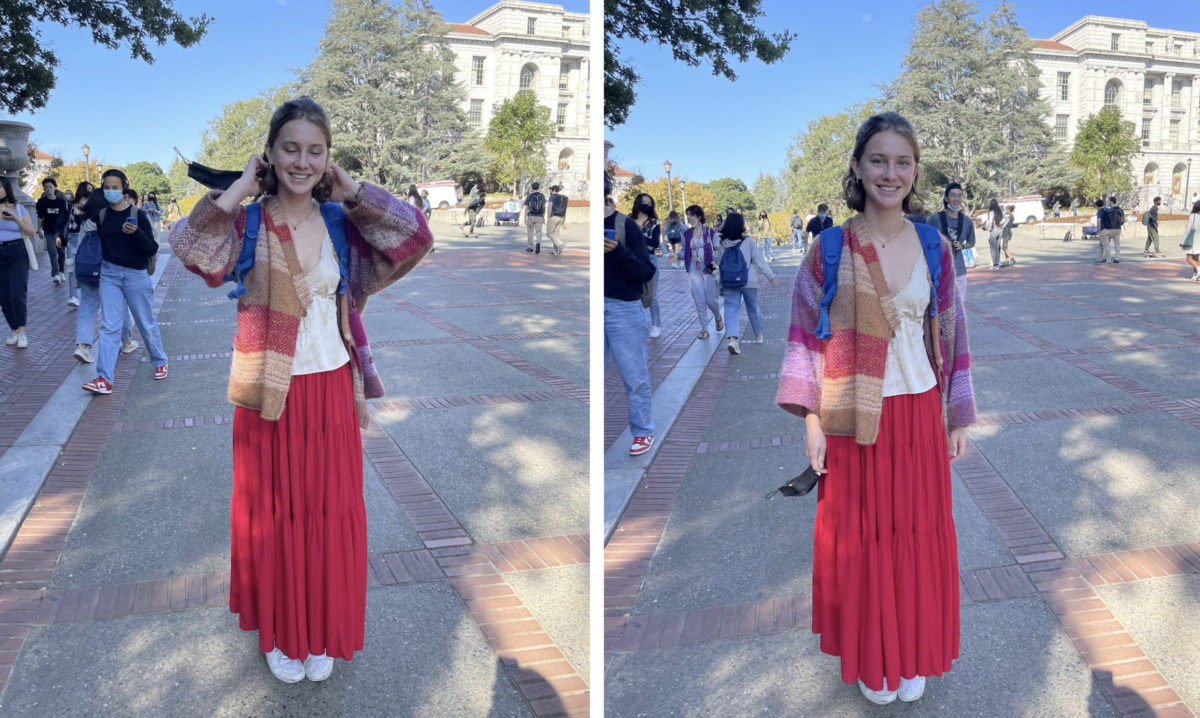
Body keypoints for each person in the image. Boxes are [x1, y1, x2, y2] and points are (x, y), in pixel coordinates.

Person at [170, 96, 432, 684]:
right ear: (270, 151)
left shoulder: (343, 222)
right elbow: (190, 250)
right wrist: (240, 186)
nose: (302, 160)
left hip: (333, 392)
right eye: (290, 147)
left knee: (328, 514)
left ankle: (318, 629)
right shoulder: (249, 222)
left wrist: (356, 192)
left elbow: (415, 240)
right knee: (276, 516)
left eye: (316, 150)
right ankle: (282, 632)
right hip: (269, 395)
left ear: (328, 159)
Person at [776, 111, 975, 706]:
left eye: (903, 162)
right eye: (879, 160)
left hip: (917, 417)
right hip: (851, 418)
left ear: (915, 172)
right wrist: (810, 419)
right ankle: (873, 656)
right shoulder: (829, 248)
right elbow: (803, 339)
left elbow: (953, 332)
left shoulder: (934, 244)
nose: (891, 173)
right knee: (861, 541)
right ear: (859, 168)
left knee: (916, 537)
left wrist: (957, 415)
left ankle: (910, 652)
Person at [80, 170, 168, 395]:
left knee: (145, 322)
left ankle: (159, 360)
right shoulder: (101, 216)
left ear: (124, 188)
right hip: (109, 274)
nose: (111, 191)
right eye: (106, 187)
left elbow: (151, 248)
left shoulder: (137, 214)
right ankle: (104, 378)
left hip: (135, 275)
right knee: (109, 326)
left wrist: (136, 233)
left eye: (115, 187)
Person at [603, 171, 656, 456]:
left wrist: (617, 251)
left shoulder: (624, 225)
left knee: (634, 377)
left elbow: (646, 271)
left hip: (622, 308)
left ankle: (643, 430)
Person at [71, 186, 137, 364]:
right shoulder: (113, 219)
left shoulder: (86, 221)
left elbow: (79, 246)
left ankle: (82, 346)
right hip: (111, 271)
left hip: (88, 270)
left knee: (87, 308)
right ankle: (126, 341)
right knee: (119, 306)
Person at [714, 212, 774, 354]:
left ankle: (733, 340)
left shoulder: (722, 242)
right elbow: (758, 260)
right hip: (749, 281)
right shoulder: (748, 241)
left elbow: (719, 262)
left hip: (729, 281)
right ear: (741, 225)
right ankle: (758, 334)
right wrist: (770, 275)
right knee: (753, 307)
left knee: (731, 309)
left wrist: (719, 284)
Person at [0, 177, 35, 348]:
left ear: (7, 189)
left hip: (17, 251)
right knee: (4, 297)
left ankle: (22, 332)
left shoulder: (18, 209)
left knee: (17, 295)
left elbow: (31, 232)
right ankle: (13, 329)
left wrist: (15, 219)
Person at [926, 183, 976, 301]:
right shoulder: (935, 219)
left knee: (959, 308)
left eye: (959, 196)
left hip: (959, 271)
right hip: (938, 272)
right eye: (953, 195)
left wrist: (962, 246)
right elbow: (924, 241)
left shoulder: (967, 221)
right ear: (946, 198)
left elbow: (972, 242)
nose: (956, 199)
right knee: (940, 308)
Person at [681, 204, 722, 338]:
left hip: (707, 267)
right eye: (688, 215)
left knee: (711, 300)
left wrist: (714, 260)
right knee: (699, 299)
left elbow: (718, 248)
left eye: (691, 215)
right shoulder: (686, 234)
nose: (689, 218)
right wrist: (676, 256)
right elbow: (684, 251)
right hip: (693, 268)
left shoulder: (710, 232)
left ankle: (717, 316)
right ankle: (705, 329)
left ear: (699, 216)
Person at [630, 193, 663, 338]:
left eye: (649, 203)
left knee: (652, 295)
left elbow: (654, 244)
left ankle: (656, 325)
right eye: (643, 202)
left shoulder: (654, 223)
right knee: (633, 294)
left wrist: (637, 235)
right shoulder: (628, 220)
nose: (646, 205)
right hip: (631, 259)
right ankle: (637, 324)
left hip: (649, 260)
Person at [63, 182, 93, 308]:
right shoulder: (69, 205)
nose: (90, 192)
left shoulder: (93, 206)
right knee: (72, 267)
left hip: (88, 238)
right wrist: (59, 236)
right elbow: (62, 221)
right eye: (88, 189)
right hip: (73, 237)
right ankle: (73, 296)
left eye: (92, 190)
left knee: (89, 266)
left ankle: (88, 294)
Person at [36, 177, 69, 285]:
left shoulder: (61, 202)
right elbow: (40, 217)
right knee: (52, 252)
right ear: (44, 189)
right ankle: (55, 274)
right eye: (46, 187)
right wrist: (39, 229)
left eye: (51, 187)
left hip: (60, 232)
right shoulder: (41, 202)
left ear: (55, 187)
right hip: (48, 231)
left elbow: (65, 217)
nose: (49, 189)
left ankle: (61, 271)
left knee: (61, 252)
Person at [523, 181, 548, 253]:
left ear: (532, 187)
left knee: (530, 231)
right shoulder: (542, 196)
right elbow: (544, 207)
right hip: (540, 216)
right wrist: (544, 217)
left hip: (531, 215)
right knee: (539, 231)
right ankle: (538, 243)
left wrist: (525, 218)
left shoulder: (530, 196)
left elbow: (526, 207)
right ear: (538, 187)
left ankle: (530, 247)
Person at [982, 199, 1004, 270]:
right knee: (997, 247)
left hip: (993, 230)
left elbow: (990, 222)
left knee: (993, 249)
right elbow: (1007, 219)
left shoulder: (991, 212)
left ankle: (995, 265)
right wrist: (1002, 226)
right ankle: (997, 263)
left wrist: (989, 229)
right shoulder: (999, 212)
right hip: (999, 229)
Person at [546, 185, 568, 255]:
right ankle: (556, 251)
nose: (550, 191)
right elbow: (565, 210)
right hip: (561, 217)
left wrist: (548, 217)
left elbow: (550, 206)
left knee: (549, 233)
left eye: (551, 190)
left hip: (553, 217)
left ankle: (560, 244)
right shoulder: (562, 198)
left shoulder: (552, 196)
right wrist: (564, 220)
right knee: (556, 234)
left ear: (553, 190)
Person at [1183, 201, 1200, 280]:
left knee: (1189, 258)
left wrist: (1182, 241)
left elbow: (1188, 229)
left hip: (1192, 238)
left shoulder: (1192, 216)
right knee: (1196, 258)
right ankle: (1195, 275)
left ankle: (1198, 269)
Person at [1107, 196, 1123, 264]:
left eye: (1109, 201)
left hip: (1110, 229)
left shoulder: (1109, 210)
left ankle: (1108, 258)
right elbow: (1123, 219)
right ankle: (1117, 258)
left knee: (1106, 244)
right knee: (1117, 244)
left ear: (1111, 201)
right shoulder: (1120, 209)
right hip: (1118, 228)